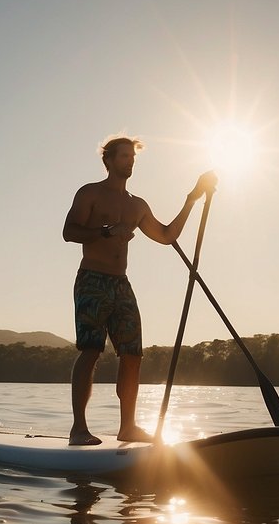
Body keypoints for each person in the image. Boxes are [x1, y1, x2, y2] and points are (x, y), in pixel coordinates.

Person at [62, 135, 217, 445]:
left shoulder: (137, 205)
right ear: (108, 160)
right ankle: (79, 429)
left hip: (121, 284)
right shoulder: (90, 193)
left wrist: (191, 198)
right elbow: (69, 232)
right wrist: (106, 232)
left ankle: (128, 427)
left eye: (133, 157)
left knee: (132, 353)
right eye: (124, 156)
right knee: (91, 350)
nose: (130, 161)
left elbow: (167, 236)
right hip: (92, 280)